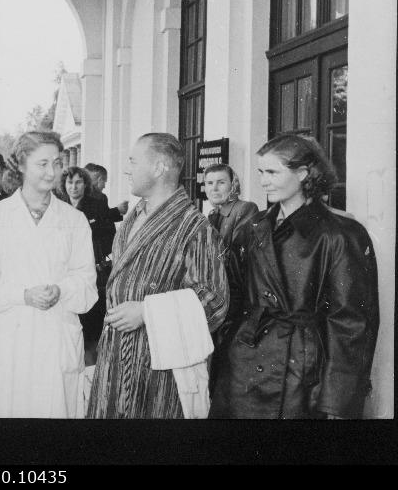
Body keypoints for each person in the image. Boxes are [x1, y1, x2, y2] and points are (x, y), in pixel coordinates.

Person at [210, 134, 379, 419]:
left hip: (302, 373)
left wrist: (337, 402)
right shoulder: (252, 229)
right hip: (243, 366)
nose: (263, 180)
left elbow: (352, 324)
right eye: (261, 172)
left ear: (303, 174)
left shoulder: (340, 234)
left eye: (273, 172)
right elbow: (233, 297)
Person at [87, 133, 228, 419]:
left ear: (160, 167)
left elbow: (215, 301)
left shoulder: (194, 227)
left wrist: (147, 312)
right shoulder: (132, 219)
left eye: (133, 161)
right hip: (114, 362)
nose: (127, 169)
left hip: (158, 370)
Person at [0, 131, 98, 418]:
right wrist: (22, 295)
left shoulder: (73, 220)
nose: (52, 172)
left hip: (55, 338)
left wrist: (61, 291)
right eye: (42, 164)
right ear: (22, 165)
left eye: (57, 162)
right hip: (8, 339)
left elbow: (87, 284)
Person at [56, 166, 113, 363]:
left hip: (91, 271)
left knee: (90, 323)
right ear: (64, 185)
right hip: (64, 273)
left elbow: (109, 236)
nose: (74, 187)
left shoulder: (97, 204)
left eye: (78, 182)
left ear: (85, 184)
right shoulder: (57, 207)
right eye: (70, 182)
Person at [203, 163, 259, 342]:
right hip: (217, 293)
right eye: (210, 183)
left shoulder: (245, 208)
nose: (214, 188)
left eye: (221, 182)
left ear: (233, 184)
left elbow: (237, 256)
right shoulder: (212, 215)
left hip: (235, 295)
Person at [83, 163, 129, 255]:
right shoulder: (97, 197)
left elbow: (102, 216)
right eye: (105, 182)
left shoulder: (86, 196)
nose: (104, 186)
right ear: (99, 180)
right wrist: (118, 210)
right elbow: (97, 221)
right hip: (96, 251)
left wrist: (118, 211)